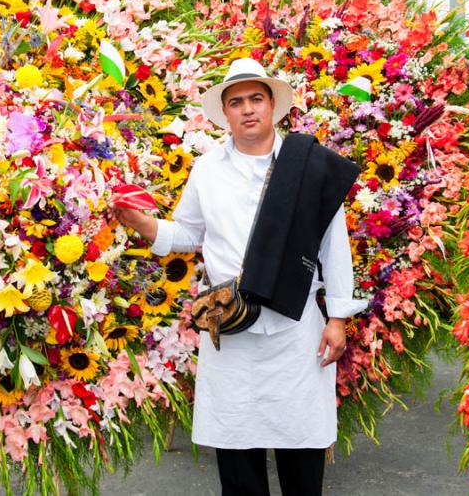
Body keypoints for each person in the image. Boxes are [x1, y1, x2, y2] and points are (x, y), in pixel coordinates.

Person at [110, 57, 368, 496]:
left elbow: (333, 245)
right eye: (236, 102)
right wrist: (142, 226)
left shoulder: (308, 167)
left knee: (301, 452)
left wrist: (338, 318)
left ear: (272, 106)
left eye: (256, 99)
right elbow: (189, 233)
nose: (247, 109)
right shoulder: (207, 169)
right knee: (237, 457)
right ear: (225, 113)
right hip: (230, 329)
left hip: (294, 329)